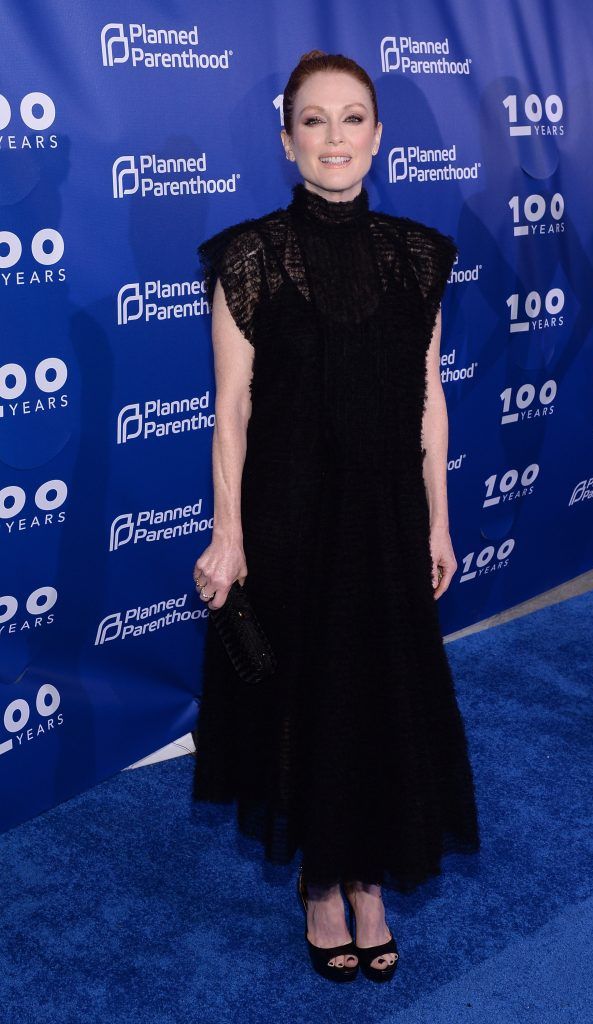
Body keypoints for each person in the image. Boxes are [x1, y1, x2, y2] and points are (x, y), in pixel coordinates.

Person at [191, 49, 479, 981]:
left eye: (352, 118)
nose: (334, 138)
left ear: (379, 136)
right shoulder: (246, 256)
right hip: (288, 515)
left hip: (390, 514)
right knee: (309, 697)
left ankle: (368, 880)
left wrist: (438, 522)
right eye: (313, 120)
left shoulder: (420, 255)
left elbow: (428, 395)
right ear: (286, 141)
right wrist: (229, 535)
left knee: (380, 694)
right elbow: (229, 411)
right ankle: (323, 885)